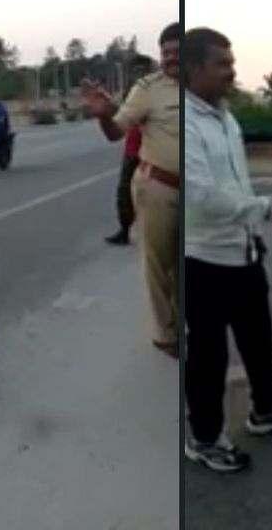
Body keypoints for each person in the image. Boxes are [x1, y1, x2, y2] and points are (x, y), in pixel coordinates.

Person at [184, 27, 272, 473]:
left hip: (242, 253)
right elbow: (201, 195)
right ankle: (204, 438)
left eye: (231, 62)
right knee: (207, 357)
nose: (231, 70)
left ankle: (267, 410)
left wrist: (252, 230)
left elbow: (236, 185)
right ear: (195, 68)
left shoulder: (225, 116)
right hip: (203, 261)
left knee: (259, 340)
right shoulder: (184, 122)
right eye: (222, 63)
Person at [81, 23, 180, 358]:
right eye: (165, 52)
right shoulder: (148, 89)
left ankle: (181, 323)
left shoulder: (201, 88)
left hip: (196, 192)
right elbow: (116, 132)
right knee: (158, 263)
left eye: (178, 51)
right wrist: (103, 116)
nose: (171, 59)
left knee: (186, 263)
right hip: (158, 188)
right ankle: (164, 334)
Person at [105, 54, 155, 246]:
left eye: (143, 69)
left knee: (154, 193)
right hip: (133, 147)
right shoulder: (132, 91)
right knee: (125, 191)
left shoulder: (155, 90)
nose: (139, 73)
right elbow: (123, 116)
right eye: (136, 69)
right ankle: (125, 229)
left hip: (152, 148)